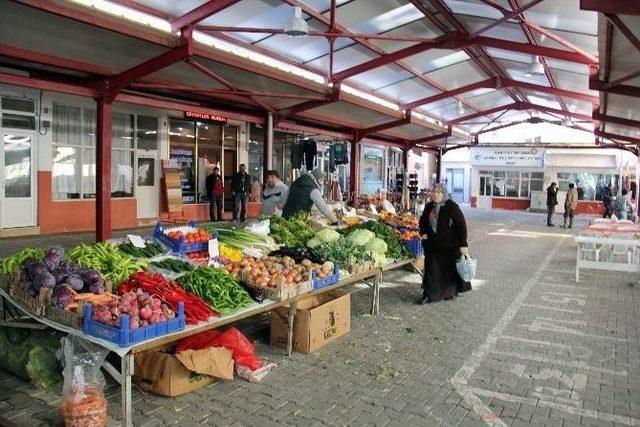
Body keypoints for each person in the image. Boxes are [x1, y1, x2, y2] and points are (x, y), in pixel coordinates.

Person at [419, 183, 470, 304]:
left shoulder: (451, 206)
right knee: (431, 270)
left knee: (448, 271)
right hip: (432, 245)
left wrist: (463, 244)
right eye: (434, 192)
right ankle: (428, 295)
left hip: (449, 245)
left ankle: (451, 292)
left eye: (438, 192)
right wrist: (423, 232)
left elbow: (461, 225)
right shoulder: (429, 206)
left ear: (443, 194)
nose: (435, 194)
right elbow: (422, 221)